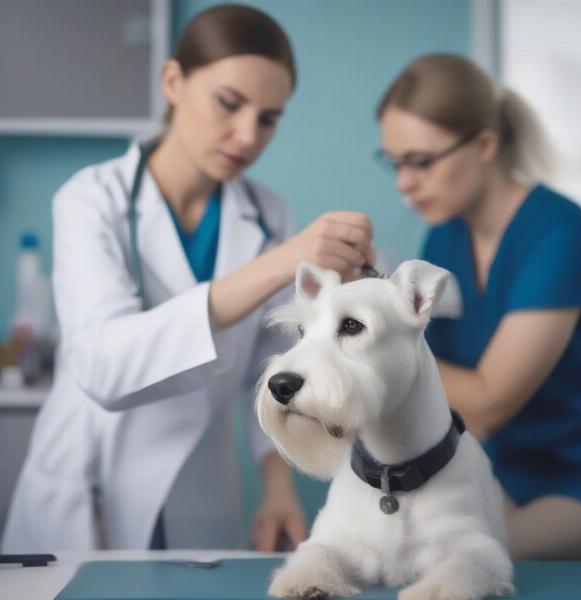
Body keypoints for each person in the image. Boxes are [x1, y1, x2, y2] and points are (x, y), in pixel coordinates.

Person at [2, 4, 373, 552]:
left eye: (268, 118)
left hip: (200, 490)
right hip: (87, 480)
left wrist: (279, 489)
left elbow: (271, 371)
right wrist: (281, 261)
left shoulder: (270, 216)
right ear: (172, 81)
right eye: (229, 103)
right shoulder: (90, 199)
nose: (247, 134)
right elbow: (103, 367)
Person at [375, 53, 581, 560]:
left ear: (484, 145)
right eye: (394, 162)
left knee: (470, 558)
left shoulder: (560, 233)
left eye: (421, 161)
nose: (404, 182)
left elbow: (489, 404)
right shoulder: (444, 236)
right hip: (501, 469)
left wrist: (380, 331)